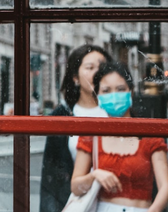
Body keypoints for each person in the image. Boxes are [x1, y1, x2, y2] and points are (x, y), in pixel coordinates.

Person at [71, 62, 168, 212]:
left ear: (130, 91)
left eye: (120, 89)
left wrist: (154, 210)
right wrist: (95, 175)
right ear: (97, 96)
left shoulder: (149, 135)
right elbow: (75, 187)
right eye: (106, 90)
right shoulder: (91, 135)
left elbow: (165, 187)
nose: (114, 96)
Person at [39, 44, 110, 212]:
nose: (97, 72)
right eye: (90, 67)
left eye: (102, 67)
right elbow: (52, 177)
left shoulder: (118, 111)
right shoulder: (62, 115)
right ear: (75, 77)